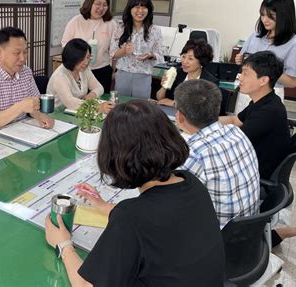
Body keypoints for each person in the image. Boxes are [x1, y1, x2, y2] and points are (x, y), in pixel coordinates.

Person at [45, 100, 225, 286]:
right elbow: (158, 220)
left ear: (115, 156)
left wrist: (64, 245)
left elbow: (85, 285)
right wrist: (104, 206)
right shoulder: (191, 182)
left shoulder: (130, 217)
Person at [174, 79, 260, 228]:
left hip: (214, 238)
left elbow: (169, 201)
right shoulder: (235, 132)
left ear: (180, 116)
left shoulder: (194, 154)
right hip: (248, 231)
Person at [0, 26, 54, 135]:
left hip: (18, 130)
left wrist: (40, 116)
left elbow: (33, 105)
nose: (23, 58)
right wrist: (20, 107)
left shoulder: (26, 72)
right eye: (16, 53)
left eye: (25, 52)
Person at [220, 51, 289, 179]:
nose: (240, 77)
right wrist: (202, 121)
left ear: (263, 80)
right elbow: (235, 120)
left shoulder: (268, 111)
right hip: (248, 162)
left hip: (254, 174)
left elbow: (232, 144)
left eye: (245, 74)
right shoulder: (265, 100)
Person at [234, 0, 296, 113]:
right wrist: (240, 60)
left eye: (270, 15)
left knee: (259, 129)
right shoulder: (256, 36)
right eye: (262, 15)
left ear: (284, 16)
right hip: (246, 92)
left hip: (269, 96)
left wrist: (268, 70)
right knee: (240, 128)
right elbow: (244, 64)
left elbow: (293, 82)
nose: (264, 20)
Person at [110, 0, 164, 99]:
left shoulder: (155, 30)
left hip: (143, 77)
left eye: (144, 7)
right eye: (136, 7)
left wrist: (150, 55)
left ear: (149, 9)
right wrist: (124, 51)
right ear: (130, 8)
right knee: (121, 108)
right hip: (123, 75)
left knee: (141, 110)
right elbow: (113, 53)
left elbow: (160, 55)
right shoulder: (120, 28)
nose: (140, 11)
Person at [61, 0, 117, 93]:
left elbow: (115, 50)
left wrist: (114, 71)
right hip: (79, 70)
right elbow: (65, 45)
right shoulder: (76, 21)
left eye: (105, 5)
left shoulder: (111, 24)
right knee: (79, 102)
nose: (101, 8)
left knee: (100, 102)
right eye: (98, 4)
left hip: (102, 70)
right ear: (90, 3)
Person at [47, 38, 114, 114]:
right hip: (58, 115)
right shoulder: (60, 76)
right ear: (73, 58)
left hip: (77, 112)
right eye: (82, 59)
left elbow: (99, 87)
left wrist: (91, 95)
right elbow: (70, 102)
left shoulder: (84, 69)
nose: (86, 62)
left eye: (88, 57)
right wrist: (97, 108)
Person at [156, 39, 218, 106]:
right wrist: (165, 86)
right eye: (183, 57)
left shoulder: (210, 82)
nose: (184, 62)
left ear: (201, 61)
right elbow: (160, 98)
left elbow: (203, 107)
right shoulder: (177, 73)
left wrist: (174, 103)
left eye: (190, 59)